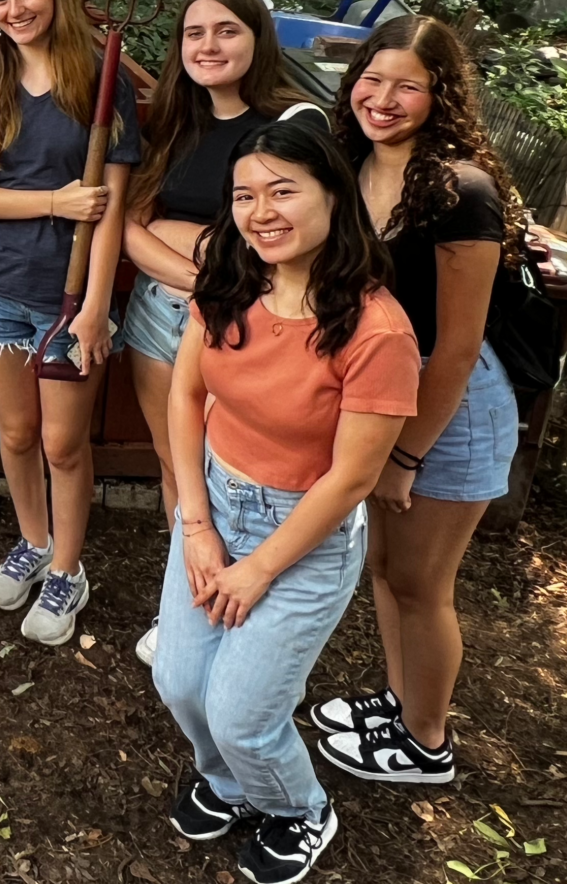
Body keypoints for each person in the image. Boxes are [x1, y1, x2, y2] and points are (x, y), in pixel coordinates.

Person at [154, 121, 418, 884]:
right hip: (216, 505)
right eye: (244, 194)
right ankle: (234, 783)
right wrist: (197, 527)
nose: (260, 211)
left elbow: (350, 480)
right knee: (179, 681)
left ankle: (300, 809)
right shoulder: (229, 283)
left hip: (305, 534)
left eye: (283, 191)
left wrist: (259, 568)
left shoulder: (376, 330)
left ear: (333, 195)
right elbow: (185, 393)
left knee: (243, 711)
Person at [308, 16, 526, 786]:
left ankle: (426, 743)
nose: (385, 98)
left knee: (423, 583)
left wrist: (405, 455)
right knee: (383, 566)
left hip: (448, 407)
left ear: (440, 94)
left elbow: (460, 347)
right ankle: (400, 703)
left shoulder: (458, 190)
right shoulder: (354, 163)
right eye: (373, 78)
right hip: (384, 389)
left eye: (408, 85)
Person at [123, 0, 327, 666]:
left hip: (237, 327)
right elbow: (131, 227)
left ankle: (237, 611)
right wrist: (196, 265)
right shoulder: (178, 124)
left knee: (228, 473)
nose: (208, 46)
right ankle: (184, 608)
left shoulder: (294, 122)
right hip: (159, 314)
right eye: (195, 34)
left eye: (227, 31)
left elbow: (270, 237)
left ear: (258, 38)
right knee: (175, 466)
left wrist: (199, 259)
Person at [0, 0, 134, 645]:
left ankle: (69, 569)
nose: (15, 8)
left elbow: (108, 214)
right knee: (16, 434)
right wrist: (51, 201)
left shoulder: (99, 85)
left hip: (66, 297)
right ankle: (33, 540)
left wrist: (92, 309)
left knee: (61, 445)